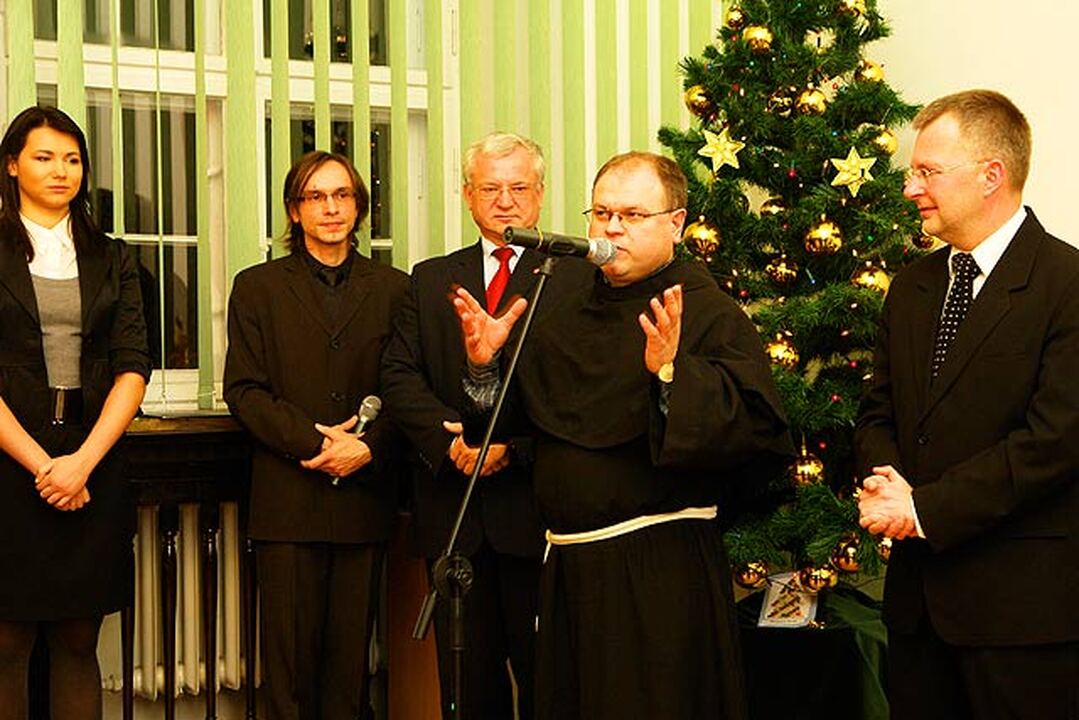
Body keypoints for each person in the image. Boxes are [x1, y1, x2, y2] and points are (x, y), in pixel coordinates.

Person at [452, 151, 793, 719]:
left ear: (676, 224)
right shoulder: (562, 307)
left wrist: (670, 374)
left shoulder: (705, 310)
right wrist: (485, 366)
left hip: (659, 575)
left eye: (632, 215)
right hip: (569, 571)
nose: (612, 228)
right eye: (602, 213)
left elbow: (753, 430)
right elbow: (510, 427)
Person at [855, 90, 1079, 720]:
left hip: (1023, 619)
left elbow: (1053, 442)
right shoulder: (912, 287)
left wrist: (923, 508)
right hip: (918, 613)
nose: (910, 189)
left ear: (991, 175)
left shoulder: (1066, 285)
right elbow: (878, 412)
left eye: (927, 171)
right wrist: (886, 485)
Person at [223, 150, 408, 720]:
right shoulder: (256, 287)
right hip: (288, 501)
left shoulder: (396, 289)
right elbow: (244, 389)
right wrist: (316, 443)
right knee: (289, 677)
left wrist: (367, 447)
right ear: (294, 210)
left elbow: (409, 389)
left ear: (359, 207)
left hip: (363, 501)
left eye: (342, 195)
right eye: (316, 197)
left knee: (350, 674)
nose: (331, 208)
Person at [381, 132, 548, 719]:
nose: (505, 201)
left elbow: (579, 393)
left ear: (540, 194)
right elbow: (399, 374)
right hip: (454, 516)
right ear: (467, 194)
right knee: (468, 687)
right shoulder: (431, 279)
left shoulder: (570, 280)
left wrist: (511, 446)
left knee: (548, 681)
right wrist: (449, 439)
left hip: (536, 512)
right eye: (490, 188)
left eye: (518, 187)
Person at [0, 105, 151, 719]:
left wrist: (81, 463)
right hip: (10, 462)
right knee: (7, 642)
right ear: (13, 165)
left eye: (72, 159)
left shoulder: (113, 258)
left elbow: (133, 366)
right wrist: (46, 467)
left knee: (78, 638)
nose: (61, 170)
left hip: (94, 460)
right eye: (44, 157)